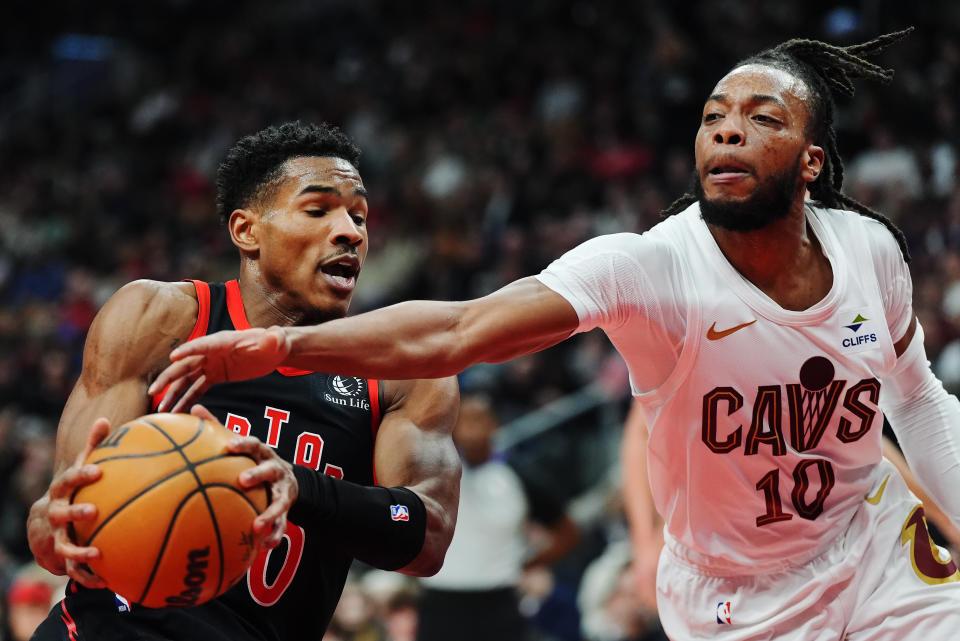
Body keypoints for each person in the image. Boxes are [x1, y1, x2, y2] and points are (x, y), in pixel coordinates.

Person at [152, 29, 960, 639]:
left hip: (875, 543)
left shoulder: (869, 248)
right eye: (713, 117)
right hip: (738, 594)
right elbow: (463, 329)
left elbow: (917, 398)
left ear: (812, 160)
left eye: (761, 117)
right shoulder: (652, 267)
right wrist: (289, 346)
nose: (727, 131)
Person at [26, 122, 461, 640]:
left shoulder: (399, 370)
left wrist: (297, 485)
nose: (351, 231)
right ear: (246, 231)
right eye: (318, 210)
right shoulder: (160, 318)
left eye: (360, 216)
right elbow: (53, 527)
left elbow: (427, 537)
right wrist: (60, 526)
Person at [416, 393, 580, 641]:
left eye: (479, 419)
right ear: (453, 426)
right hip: (441, 601)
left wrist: (529, 564)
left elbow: (568, 532)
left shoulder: (519, 477)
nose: (472, 428)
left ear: (495, 424)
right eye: (465, 420)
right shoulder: (433, 473)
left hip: (498, 600)